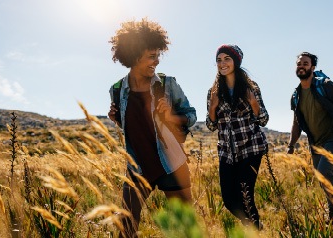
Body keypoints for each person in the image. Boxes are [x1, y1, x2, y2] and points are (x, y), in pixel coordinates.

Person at [107, 18, 197, 237]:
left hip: (171, 163)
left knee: (186, 229)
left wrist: (171, 116)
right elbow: (133, 126)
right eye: (151, 56)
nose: (156, 61)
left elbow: (191, 115)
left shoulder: (168, 84)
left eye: (158, 56)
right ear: (134, 54)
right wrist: (116, 119)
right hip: (137, 166)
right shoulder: (117, 90)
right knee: (126, 229)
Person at [206, 44, 269, 230]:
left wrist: (254, 104)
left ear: (236, 62)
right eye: (219, 60)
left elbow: (264, 119)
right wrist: (212, 108)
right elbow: (211, 126)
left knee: (246, 196)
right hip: (227, 152)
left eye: (227, 59)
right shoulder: (213, 91)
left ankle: (254, 231)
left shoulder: (251, 87)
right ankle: (256, 227)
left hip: (251, 148)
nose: (222, 63)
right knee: (228, 199)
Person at [287, 52, 333, 227]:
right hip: (316, 144)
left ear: (312, 67)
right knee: (323, 178)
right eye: (299, 64)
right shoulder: (296, 96)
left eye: (305, 63)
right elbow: (296, 123)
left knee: (325, 173)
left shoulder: (325, 86)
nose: (301, 66)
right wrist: (291, 144)